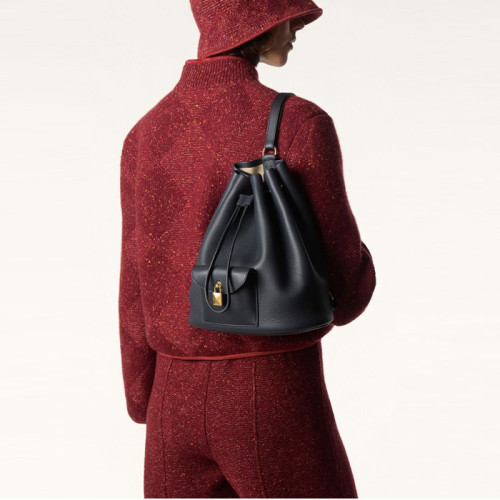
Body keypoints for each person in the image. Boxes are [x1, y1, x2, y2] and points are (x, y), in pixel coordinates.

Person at [118, 0, 376, 497]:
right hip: (273, 386)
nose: (298, 25)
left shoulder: (144, 133)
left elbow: (134, 280)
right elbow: (347, 289)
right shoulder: (298, 123)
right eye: (288, 15)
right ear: (253, 21)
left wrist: (141, 394)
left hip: (172, 397)